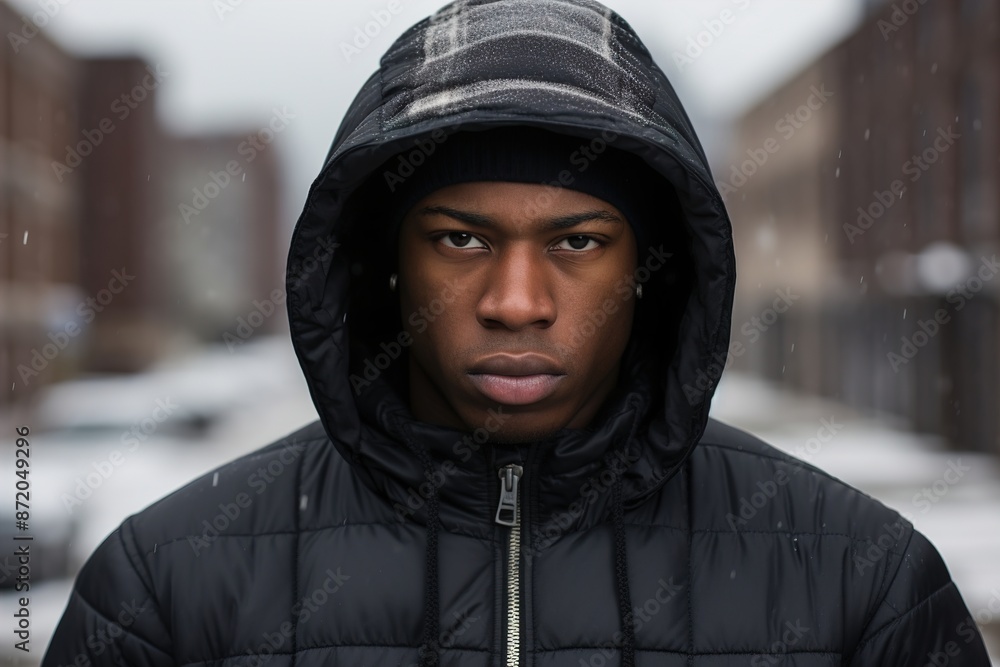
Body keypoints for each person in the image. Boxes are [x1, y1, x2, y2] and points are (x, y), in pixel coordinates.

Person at [43, 0, 992, 665]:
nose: (517, 300)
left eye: (579, 240)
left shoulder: (859, 582)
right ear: (385, 258)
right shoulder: (167, 589)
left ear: (652, 272)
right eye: (461, 238)